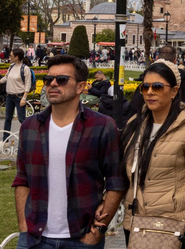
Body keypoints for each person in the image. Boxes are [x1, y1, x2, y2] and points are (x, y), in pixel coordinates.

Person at [13, 55, 127, 249]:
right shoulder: (30, 127)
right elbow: (22, 179)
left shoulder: (101, 126)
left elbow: (116, 181)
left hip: (81, 238)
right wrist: (24, 225)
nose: (53, 84)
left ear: (80, 87)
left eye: (62, 80)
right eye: (48, 80)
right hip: (35, 237)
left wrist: (99, 230)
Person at [120, 60, 185, 249]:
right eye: (144, 87)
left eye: (157, 86)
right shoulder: (135, 124)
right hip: (135, 222)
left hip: (171, 224)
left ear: (174, 91)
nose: (150, 92)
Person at [0, 48, 33, 140]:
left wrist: (24, 98)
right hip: (9, 96)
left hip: (19, 96)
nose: (9, 57)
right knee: (8, 119)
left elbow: (28, 84)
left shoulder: (25, 69)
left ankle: (30, 138)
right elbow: (6, 78)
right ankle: (5, 140)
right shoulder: (11, 67)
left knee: (22, 119)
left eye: (11, 55)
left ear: (17, 57)